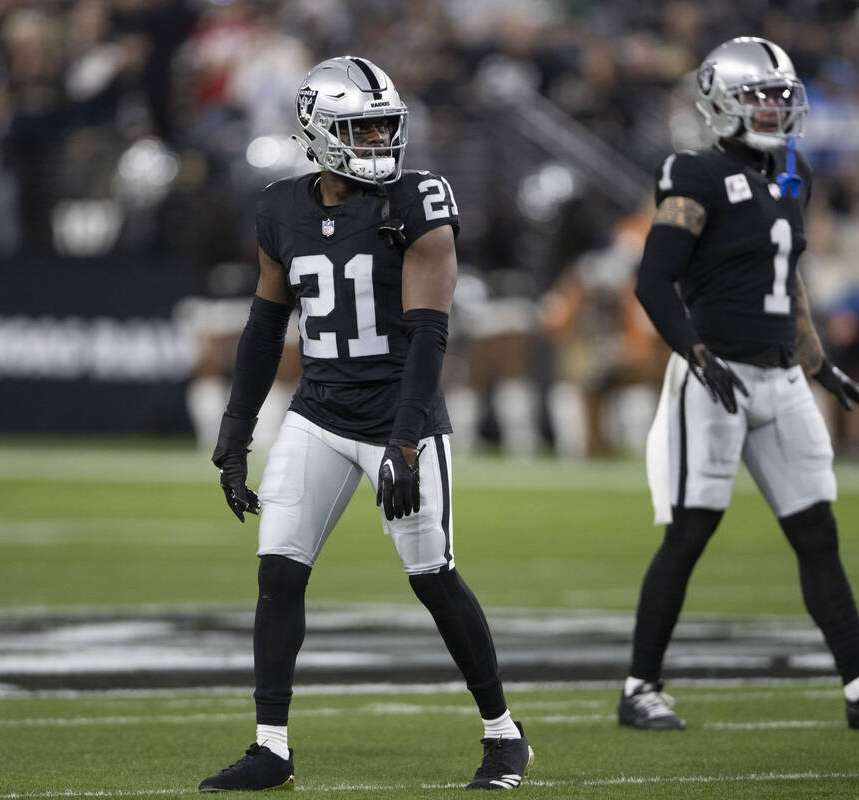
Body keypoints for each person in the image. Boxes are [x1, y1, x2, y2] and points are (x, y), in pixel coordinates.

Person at [198, 56, 534, 792]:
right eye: (362, 127)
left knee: (432, 576)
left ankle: (505, 735)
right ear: (318, 133)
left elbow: (428, 335)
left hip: (398, 414)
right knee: (278, 570)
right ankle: (271, 747)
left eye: (387, 125)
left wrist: (407, 443)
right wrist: (236, 433)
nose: (381, 139)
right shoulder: (280, 208)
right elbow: (263, 328)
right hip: (318, 412)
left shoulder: (415, 203)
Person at [619, 37, 859, 732]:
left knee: (817, 532)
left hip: (781, 375)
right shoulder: (695, 173)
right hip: (715, 374)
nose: (774, 107)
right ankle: (640, 686)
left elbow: (786, 285)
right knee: (691, 531)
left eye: (780, 95)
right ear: (720, 100)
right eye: (761, 94)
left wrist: (821, 365)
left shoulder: (790, 176)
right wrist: (695, 353)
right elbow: (652, 279)